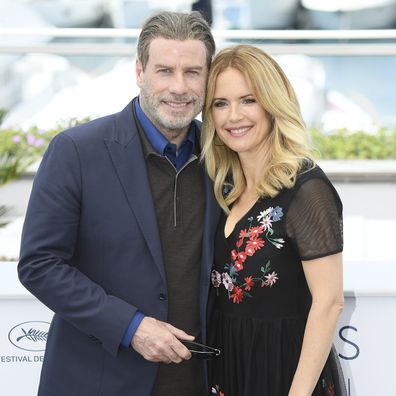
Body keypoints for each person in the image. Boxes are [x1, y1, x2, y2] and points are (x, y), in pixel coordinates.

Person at [17, 11, 219, 396]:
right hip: (97, 380)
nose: (179, 87)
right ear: (139, 71)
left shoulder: (224, 156)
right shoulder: (76, 150)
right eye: (165, 71)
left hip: (198, 381)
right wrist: (132, 327)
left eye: (192, 72)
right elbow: (39, 264)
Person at [201, 44, 347, 396]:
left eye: (248, 100)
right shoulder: (223, 187)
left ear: (272, 104)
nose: (233, 116)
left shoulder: (307, 188)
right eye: (221, 103)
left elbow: (329, 302)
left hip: (284, 374)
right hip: (228, 370)